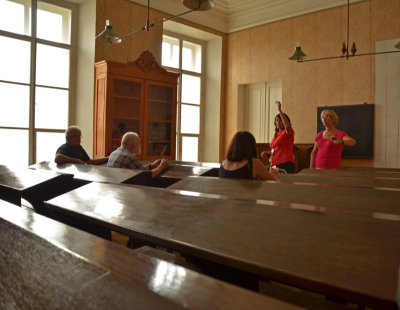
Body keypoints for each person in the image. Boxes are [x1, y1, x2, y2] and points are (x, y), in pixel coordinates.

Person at [262, 101, 295, 173]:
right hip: (274, 165)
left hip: (285, 165)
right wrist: (268, 153)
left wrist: (280, 110)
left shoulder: (288, 132)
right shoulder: (276, 134)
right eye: (277, 120)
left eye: (280, 120)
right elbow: (276, 150)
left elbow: (287, 126)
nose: (278, 122)